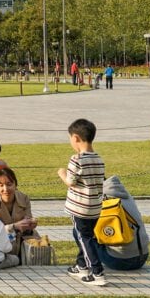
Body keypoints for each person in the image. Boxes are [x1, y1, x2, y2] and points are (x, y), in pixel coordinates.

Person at [58, 118, 106, 285]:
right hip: (94, 207)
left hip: (80, 208)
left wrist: (62, 173)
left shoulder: (76, 159)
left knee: (85, 238)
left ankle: (97, 272)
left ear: (76, 138)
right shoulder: (99, 159)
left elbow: (71, 181)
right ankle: (81, 265)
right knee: (82, 234)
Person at [98, 176, 149, 271]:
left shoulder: (102, 200)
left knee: (81, 231)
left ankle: (88, 267)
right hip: (143, 256)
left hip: (120, 261)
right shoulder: (126, 195)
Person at [0, 167, 38, 257]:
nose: (5, 189)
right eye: (1, 185)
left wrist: (30, 223)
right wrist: (14, 226)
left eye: (9, 184)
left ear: (15, 185)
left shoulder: (24, 198)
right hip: (0, 245)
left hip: (22, 242)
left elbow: (28, 219)